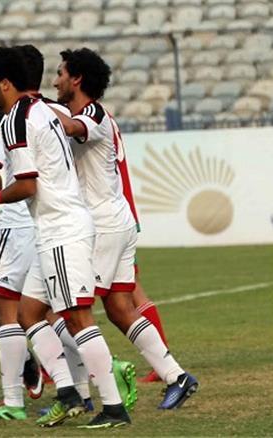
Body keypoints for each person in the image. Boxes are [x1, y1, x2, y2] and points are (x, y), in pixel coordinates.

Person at [0, 46, 129, 428]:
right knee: (31, 313)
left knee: (79, 317)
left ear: (5, 83)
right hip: (51, 229)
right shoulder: (36, 110)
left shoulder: (19, 119)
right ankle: (69, 393)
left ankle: (113, 406)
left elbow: (28, 186)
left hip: (62, 228)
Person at [51, 47, 198, 409]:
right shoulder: (87, 113)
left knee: (67, 311)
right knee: (118, 307)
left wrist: (31, 105)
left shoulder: (91, 114)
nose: (55, 81)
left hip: (102, 224)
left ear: (76, 79)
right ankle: (177, 376)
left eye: (59, 74)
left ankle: (89, 392)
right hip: (115, 220)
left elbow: (70, 128)